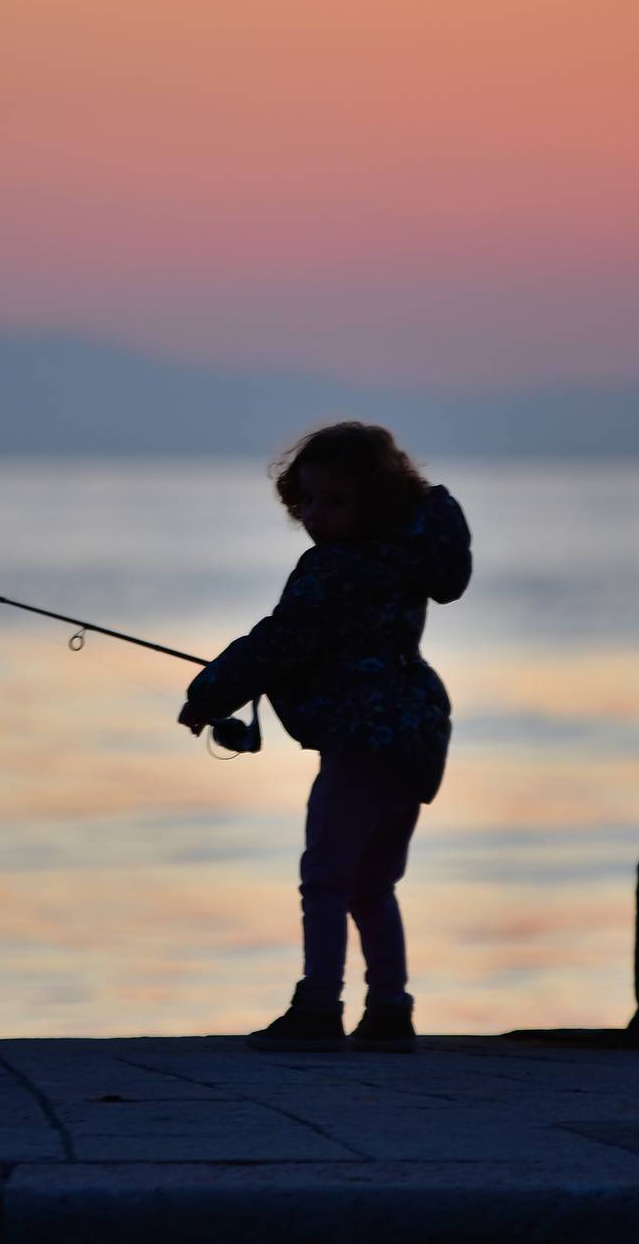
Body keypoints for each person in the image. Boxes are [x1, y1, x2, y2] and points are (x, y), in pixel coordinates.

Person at [179, 422, 471, 1052]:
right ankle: (390, 1010)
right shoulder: (405, 561)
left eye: (336, 501)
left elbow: (280, 641)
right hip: (416, 730)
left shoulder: (333, 569)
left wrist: (209, 694)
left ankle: (318, 1007)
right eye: (307, 500)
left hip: (361, 737)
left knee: (327, 876)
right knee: (373, 883)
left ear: (377, 500)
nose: (315, 515)